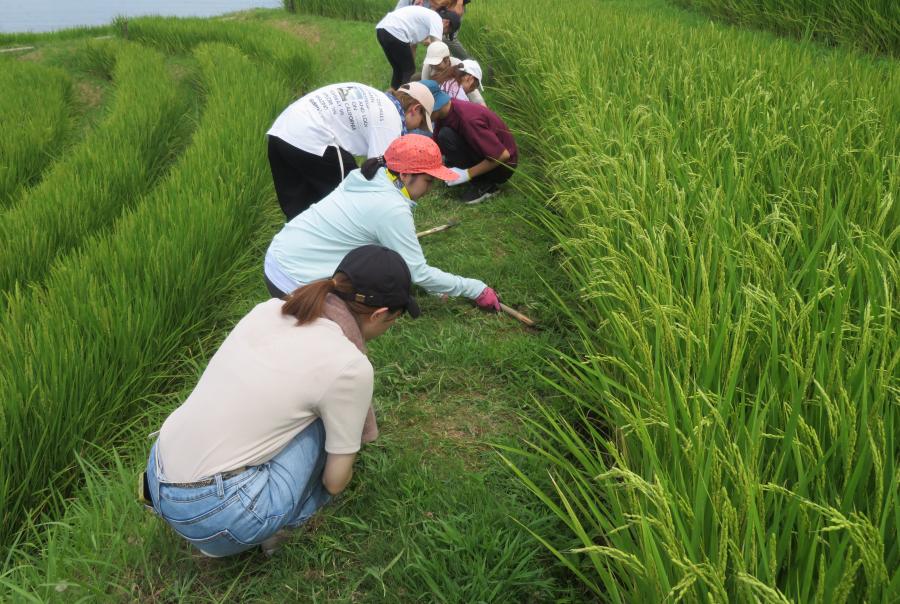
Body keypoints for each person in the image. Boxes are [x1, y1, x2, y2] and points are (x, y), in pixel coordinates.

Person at [145, 245, 420, 558]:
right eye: (393, 321)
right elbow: (334, 482)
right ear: (380, 314)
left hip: (158, 474)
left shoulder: (269, 310)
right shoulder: (348, 366)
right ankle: (276, 528)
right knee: (325, 422)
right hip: (218, 515)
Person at [264, 134, 501, 311]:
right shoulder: (392, 208)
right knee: (364, 305)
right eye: (429, 181)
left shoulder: (368, 175)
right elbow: (418, 273)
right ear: (405, 175)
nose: (431, 188)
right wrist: (474, 288)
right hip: (292, 283)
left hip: (277, 254)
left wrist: (435, 287)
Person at [267, 81, 435, 221]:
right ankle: (353, 245)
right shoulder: (390, 117)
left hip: (280, 132)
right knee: (349, 196)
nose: (415, 129)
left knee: (298, 211)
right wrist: (398, 215)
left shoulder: (378, 99)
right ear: (415, 109)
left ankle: (307, 251)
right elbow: (381, 176)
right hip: (312, 136)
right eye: (420, 123)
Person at [422, 79, 517, 204]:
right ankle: (467, 171)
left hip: (501, 167)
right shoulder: (445, 111)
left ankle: (485, 184)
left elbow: (502, 155)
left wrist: (467, 174)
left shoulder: (468, 119)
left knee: (446, 135)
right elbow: (435, 145)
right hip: (484, 152)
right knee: (444, 135)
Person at [376, 6, 460, 89]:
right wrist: (446, 69)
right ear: (447, 23)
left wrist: (412, 63)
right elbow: (438, 49)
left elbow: (412, 46)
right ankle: (403, 99)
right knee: (409, 71)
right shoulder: (437, 19)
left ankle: (391, 96)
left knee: (399, 69)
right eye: (446, 32)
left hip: (382, 29)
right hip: (396, 31)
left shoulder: (426, 18)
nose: (443, 34)